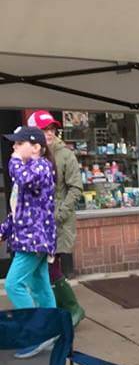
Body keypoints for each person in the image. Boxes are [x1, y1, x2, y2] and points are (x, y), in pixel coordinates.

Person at [27, 110, 85, 325]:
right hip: (36, 222)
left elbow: (76, 188)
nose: (48, 133)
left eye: (51, 128)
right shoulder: (31, 154)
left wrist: (58, 214)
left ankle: (72, 309)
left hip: (57, 222)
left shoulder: (64, 154)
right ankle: (61, 310)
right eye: (44, 129)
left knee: (51, 266)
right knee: (43, 268)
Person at [0, 125, 57, 318]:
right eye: (14, 144)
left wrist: (14, 161)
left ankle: (36, 329)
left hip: (33, 241)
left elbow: (24, 179)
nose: (14, 148)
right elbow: (19, 211)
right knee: (40, 286)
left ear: (36, 147)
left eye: (19, 143)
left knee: (14, 284)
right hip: (31, 240)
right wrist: (4, 231)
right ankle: (52, 329)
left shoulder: (40, 166)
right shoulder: (29, 169)